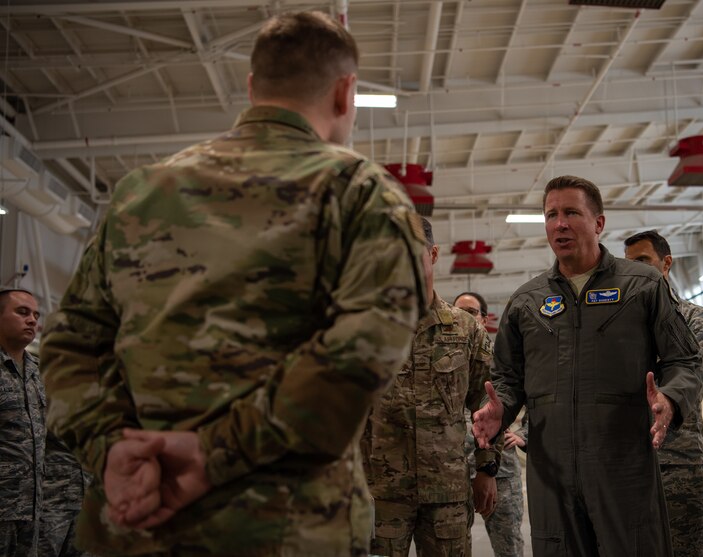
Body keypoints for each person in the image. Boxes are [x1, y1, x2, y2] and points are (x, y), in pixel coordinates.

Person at [39, 11, 426, 557]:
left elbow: (68, 341)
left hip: (139, 522)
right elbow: (360, 357)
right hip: (288, 528)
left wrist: (109, 451)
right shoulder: (358, 193)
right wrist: (208, 455)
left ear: (251, 88)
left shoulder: (141, 191)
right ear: (346, 93)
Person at [472, 175, 699, 556]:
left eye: (571, 212)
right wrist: (501, 411)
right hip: (552, 476)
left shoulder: (641, 286)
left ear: (599, 223)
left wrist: (671, 398)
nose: (559, 223)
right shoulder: (526, 301)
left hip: (624, 466)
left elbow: (683, 359)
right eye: (551, 215)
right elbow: (508, 379)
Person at [363, 219, 500, 557]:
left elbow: (486, 404)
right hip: (380, 493)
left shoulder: (467, 330)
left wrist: (486, 469)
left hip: (447, 493)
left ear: (434, 253)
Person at [624, 229, 703, 557]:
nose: (636, 270)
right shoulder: (621, 327)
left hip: (679, 469)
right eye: (630, 263)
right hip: (628, 467)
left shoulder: (694, 320)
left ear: (666, 264)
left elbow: (693, 380)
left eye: (644, 261)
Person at [454, 291, 524, 557]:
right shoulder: (443, 355)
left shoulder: (502, 360)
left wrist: (524, 434)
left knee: (509, 548)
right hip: (456, 470)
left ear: (484, 319)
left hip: (500, 471)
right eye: (458, 310)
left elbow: (534, 398)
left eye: (470, 312)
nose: (462, 316)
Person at [0, 288, 45, 557]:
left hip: (33, 509)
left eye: (36, 315)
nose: (32, 320)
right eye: (22, 312)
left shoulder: (38, 371)